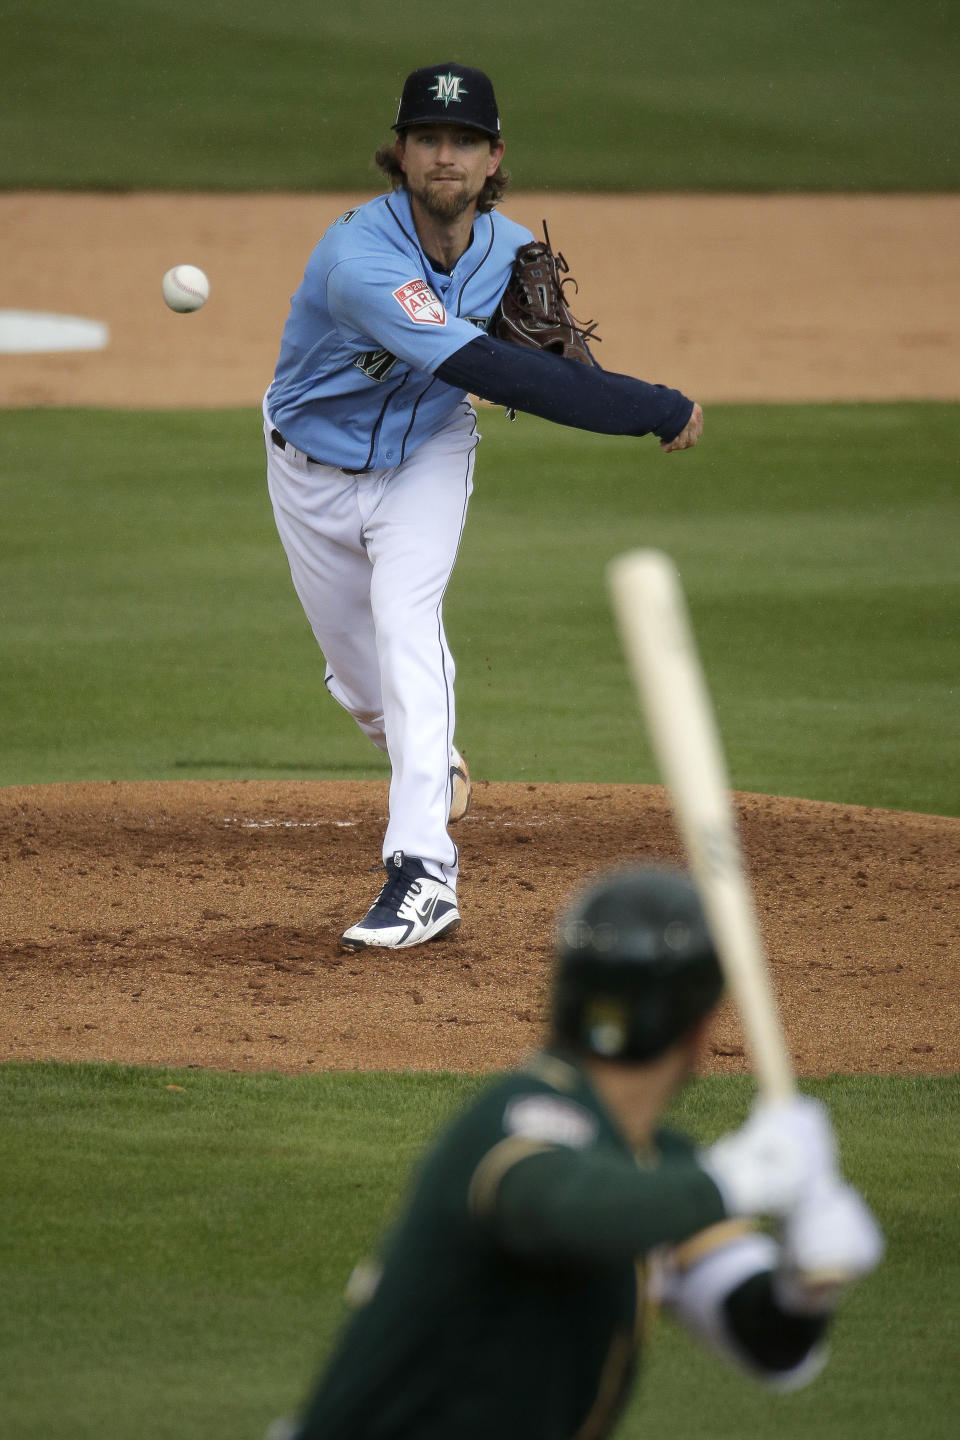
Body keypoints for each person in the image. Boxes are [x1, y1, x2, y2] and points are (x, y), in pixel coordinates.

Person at [263, 64, 704, 951]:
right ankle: (432, 763)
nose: (445, 154)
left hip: (427, 455)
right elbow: (495, 371)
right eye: (427, 137)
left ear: (494, 155)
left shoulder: (507, 251)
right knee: (366, 684)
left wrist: (599, 385)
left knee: (407, 623)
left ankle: (423, 872)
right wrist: (653, 404)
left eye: (464, 139)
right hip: (308, 473)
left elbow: (538, 363)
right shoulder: (359, 257)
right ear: (400, 152)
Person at [268, 866, 883, 1440]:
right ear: (702, 1027)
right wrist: (740, 1179)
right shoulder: (516, 1119)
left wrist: (802, 1289)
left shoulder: (652, 1170)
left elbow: (769, 1346)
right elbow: (557, 1207)